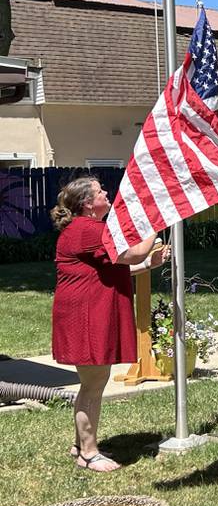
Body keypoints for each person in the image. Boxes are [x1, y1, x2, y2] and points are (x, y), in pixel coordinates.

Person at [50, 177, 170, 472]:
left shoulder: (86, 229)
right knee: (93, 385)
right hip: (86, 316)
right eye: (101, 191)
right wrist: (156, 220)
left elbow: (112, 267)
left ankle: (81, 446)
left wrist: (147, 266)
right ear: (89, 204)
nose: (107, 193)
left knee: (91, 384)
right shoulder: (88, 230)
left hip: (86, 312)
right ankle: (89, 454)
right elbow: (134, 252)